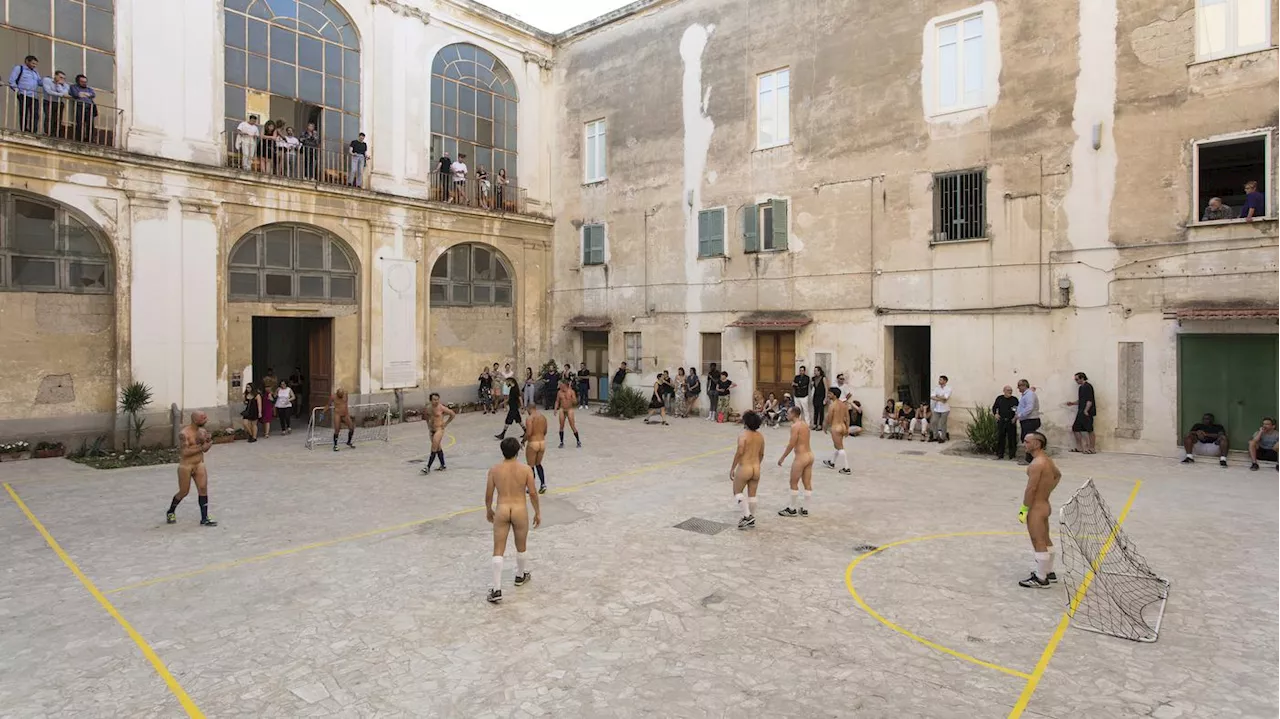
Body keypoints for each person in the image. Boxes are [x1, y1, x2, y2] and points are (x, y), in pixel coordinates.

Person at [485, 437, 541, 604]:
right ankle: (520, 575)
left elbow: (488, 494)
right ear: (518, 451)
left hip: (502, 508)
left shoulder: (494, 470)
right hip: (519, 509)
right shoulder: (525, 470)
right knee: (521, 545)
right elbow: (532, 493)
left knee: (498, 548)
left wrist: (489, 509)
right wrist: (537, 512)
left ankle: (496, 589)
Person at [1017, 431, 1061, 589]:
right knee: (1046, 538)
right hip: (1045, 504)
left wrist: (1024, 509)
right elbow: (1058, 475)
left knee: (1038, 541)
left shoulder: (1036, 464)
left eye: (1027, 441)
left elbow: (1031, 489)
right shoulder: (1047, 461)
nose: (1024, 444)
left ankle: (1041, 578)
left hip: (1036, 507)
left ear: (1036, 443)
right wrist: (1047, 491)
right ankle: (1048, 572)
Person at [166, 412, 216, 526]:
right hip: (186, 466)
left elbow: (205, 449)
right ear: (195, 420)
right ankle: (171, 511)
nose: (206, 419)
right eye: (203, 418)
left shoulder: (202, 432)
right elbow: (185, 452)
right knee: (184, 492)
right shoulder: (184, 434)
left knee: (203, 489)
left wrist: (208, 443)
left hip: (199, 463)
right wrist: (201, 447)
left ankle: (204, 518)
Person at [729, 411, 765, 529]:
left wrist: (733, 467)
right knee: (752, 495)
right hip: (756, 468)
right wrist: (757, 464)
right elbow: (761, 454)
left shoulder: (743, 435)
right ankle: (750, 517)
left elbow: (740, 451)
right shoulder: (760, 436)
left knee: (737, 492)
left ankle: (748, 516)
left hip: (745, 467)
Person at [777, 406, 814, 517]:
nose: (787, 415)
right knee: (807, 483)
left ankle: (792, 508)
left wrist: (782, 457)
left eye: (788, 413)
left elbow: (792, 443)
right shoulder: (804, 424)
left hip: (801, 457)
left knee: (793, 482)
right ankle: (805, 509)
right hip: (810, 455)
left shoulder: (795, 426)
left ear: (793, 414)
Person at [422, 392, 456, 474]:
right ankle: (443, 465)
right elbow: (426, 416)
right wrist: (428, 424)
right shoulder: (428, 407)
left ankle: (428, 467)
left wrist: (446, 423)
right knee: (438, 448)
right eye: (434, 400)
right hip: (432, 430)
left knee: (434, 447)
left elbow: (452, 414)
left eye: (437, 399)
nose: (436, 401)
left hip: (439, 429)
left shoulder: (441, 408)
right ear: (431, 400)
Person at [821, 387, 852, 475]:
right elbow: (847, 417)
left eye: (830, 393)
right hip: (842, 426)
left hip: (836, 427)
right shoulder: (843, 404)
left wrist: (826, 426)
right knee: (838, 445)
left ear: (834, 395)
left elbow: (829, 418)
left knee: (840, 448)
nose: (828, 395)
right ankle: (832, 462)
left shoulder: (832, 405)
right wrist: (847, 428)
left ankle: (847, 468)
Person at [8, 55, 41, 133]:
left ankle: (33, 131)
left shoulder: (35, 72)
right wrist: (18, 91)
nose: (34, 65)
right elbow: (11, 81)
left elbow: (39, 81)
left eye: (35, 64)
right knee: (24, 113)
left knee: (35, 114)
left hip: (34, 96)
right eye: (33, 63)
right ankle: (24, 129)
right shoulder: (19, 68)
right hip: (24, 94)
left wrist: (48, 81)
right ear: (27, 61)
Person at [1067, 372, 1097, 454]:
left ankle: (1092, 448)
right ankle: (1079, 447)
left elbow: (1089, 400)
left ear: (1082, 378)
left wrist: (1086, 410)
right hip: (1080, 411)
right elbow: (1081, 400)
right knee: (1075, 428)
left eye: (1077, 379)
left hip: (1087, 412)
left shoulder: (1088, 387)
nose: (1076, 381)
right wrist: (1072, 403)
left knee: (1089, 429)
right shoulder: (1081, 388)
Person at [525, 402, 549, 494]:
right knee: (538, 464)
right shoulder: (543, 417)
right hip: (542, 442)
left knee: (530, 466)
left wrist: (523, 441)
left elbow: (529, 432)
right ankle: (543, 484)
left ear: (529, 408)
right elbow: (545, 431)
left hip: (533, 443)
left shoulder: (529, 418)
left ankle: (531, 487)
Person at [1015, 379, 1041, 465]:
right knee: (1027, 439)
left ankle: (1029, 459)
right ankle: (1030, 458)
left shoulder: (1029, 395)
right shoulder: (1025, 395)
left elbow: (1029, 408)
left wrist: (1020, 415)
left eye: (1019, 386)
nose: (1018, 388)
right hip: (1027, 420)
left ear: (1024, 385)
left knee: (1029, 440)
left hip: (1030, 420)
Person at [494, 377, 527, 441]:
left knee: (508, 420)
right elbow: (509, 398)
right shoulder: (511, 388)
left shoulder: (515, 389)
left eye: (506, 382)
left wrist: (522, 407)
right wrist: (503, 403)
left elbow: (520, 398)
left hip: (514, 408)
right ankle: (526, 431)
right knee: (519, 420)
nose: (506, 383)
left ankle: (502, 434)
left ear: (510, 381)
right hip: (513, 407)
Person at [992, 385, 1020, 460]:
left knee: (1012, 439)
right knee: (1001, 438)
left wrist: (1015, 417)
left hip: (1011, 421)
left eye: (1011, 390)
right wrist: (995, 414)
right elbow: (994, 407)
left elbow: (1017, 409)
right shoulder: (999, 398)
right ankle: (1000, 454)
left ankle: (1012, 455)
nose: (1010, 392)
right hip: (1002, 421)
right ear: (1004, 391)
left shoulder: (1014, 399)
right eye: (1008, 390)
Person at [68, 74, 97, 143]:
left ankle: (89, 139)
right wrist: (86, 94)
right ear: (78, 81)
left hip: (89, 106)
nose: (84, 83)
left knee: (90, 124)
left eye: (85, 82)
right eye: (82, 82)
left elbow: (93, 94)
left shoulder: (89, 89)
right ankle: (79, 139)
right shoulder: (73, 87)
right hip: (80, 106)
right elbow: (75, 94)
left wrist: (82, 93)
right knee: (80, 122)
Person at [41, 70, 69, 137]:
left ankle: (55, 134)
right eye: (60, 77)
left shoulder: (65, 85)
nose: (62, 79)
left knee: (57, 119)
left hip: (59, 103)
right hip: (48, 101)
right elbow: (48, 91)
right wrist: (61, 94)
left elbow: (64, 93)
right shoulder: (47, 80)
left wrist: (58, 85)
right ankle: (47, 132)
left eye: (63, 78)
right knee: (48, 117)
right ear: (55, 76)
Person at [554, 379, 581, 447]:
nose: (559, 386)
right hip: (562, 409)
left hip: (569, 409)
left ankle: (578, 441)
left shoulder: (571, 391)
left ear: (564, 385)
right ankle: (561, 442)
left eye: (560, 385)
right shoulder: (559, 392)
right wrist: (555, 409)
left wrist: (572, 398)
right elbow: (557, 401)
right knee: (561, 426)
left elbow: (575, 402)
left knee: (572, 425)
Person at [929, 375, 953, 442]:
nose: (939, 381)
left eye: (941, 380)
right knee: (934, 422)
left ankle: (943, 437)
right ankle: (935, 436)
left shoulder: (948, 388)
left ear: (945, 381)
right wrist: (941, 398)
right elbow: (932, 396)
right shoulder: (937, 388)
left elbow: (945, 398)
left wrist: (937, 396)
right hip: (937, 408)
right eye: (939, 380)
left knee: (943, 423)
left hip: (945, 409)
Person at [258, 374, 276, 439]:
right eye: (266, 387)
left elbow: (273, 401)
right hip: (263, 408)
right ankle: (265, 432)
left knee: (267, 421)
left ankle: (267, 433)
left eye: (268, 387)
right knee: (263, 421)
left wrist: (271, 398)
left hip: (268, 408)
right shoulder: (264, 393)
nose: (267, 388)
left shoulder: (271, 393)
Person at [811, 367, 828, 432]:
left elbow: (826, 389)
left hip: (821, 396)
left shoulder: (823, 378)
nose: (815, 372)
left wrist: (825, 398)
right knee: (815, 411)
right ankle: (815, 424)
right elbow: (812, 388)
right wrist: (812, 385)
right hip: (815, 396)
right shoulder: (813, 378)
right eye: (814, 371)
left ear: (819, 371)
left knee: (821, 411)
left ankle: (820, 425)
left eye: (816, 371)